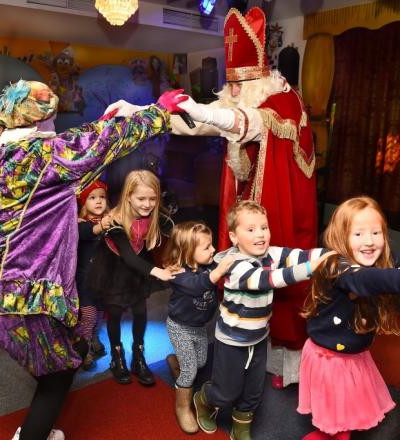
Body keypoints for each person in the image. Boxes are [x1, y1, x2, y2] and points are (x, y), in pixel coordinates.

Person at [0, 79, 186, 440]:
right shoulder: (39, 156)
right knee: (60, 374)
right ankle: (33, 435)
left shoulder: (6, 155)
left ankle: (36, 429)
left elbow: (84, 141)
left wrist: (105, 120)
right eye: (53, 116)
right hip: (24, 301)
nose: (57, 125)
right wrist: (159, 113)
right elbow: (96, 144)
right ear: (41, 121)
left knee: (60, 358)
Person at [173, 6, 318, 387]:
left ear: (257, 80)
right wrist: (148, 117)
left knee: (281, 275)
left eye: (239, 87)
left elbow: (241, 123)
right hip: (252, 204)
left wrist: (197, 108)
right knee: (244, 275)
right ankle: (244, 346)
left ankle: (287, 369)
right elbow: (206, 124)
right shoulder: (248, 98)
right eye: (230, 86)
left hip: (281, 207)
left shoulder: (278, 104)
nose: (233, 92)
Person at [193, 200, 331, 440]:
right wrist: (311, 268)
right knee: (226, 392)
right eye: (251, 229)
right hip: (232, 341)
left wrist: (330, 254)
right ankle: (204, 400)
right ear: (234, 237)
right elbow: (270, 279)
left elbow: (297, 255)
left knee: (254, 391)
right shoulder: (235, 266)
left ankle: (242, 427)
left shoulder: (271, 254)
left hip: (258, 338)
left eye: (264, 228)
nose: (260, 234)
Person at [298, 196, 400, 440]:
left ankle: (333, 430)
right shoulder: (338, 266)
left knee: (346, 405)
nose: (369, 242)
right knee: (338, 413)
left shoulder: (382, 257)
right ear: (341, 237)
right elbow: (366, 281)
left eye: (376, 233)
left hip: (355, 352)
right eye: (358, 234)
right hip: (330, 358)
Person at [87, 169, 176, 386]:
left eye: (152, 199)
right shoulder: (115, 221)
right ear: (128, 196)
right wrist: (159, 272)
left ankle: (138, 356)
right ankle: (117, 357)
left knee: (140, 310)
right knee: (115, 312)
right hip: (115, 268)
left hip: (138, 267)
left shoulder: (155, 216)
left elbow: (176, 233)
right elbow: (127, 255)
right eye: (141, 199)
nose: (147, 204)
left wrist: (182, 254)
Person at [163, 221, 235, 434]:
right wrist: (220, 269)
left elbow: (221, 259)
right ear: (187, 252)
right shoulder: (178, 273)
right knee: (191, 370)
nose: (213, 250)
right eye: (206, 247)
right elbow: (199, 286)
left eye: (212, 245)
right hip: (179, 327)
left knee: (201, 361)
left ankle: (175, 362)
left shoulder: (210, 264)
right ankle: (182, 407)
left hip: (199, 327)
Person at [76, 180, 110, 370]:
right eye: (92, 197)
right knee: (88, 315)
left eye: (102, 197)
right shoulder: (80, 225)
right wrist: (102, 225)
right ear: (84, 203)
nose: (98, 201)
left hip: (103, 282)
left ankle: (94, 337)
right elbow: (91, 231)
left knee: (99, 314)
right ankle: (84, 347)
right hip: (86, 281)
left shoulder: (110, 223)